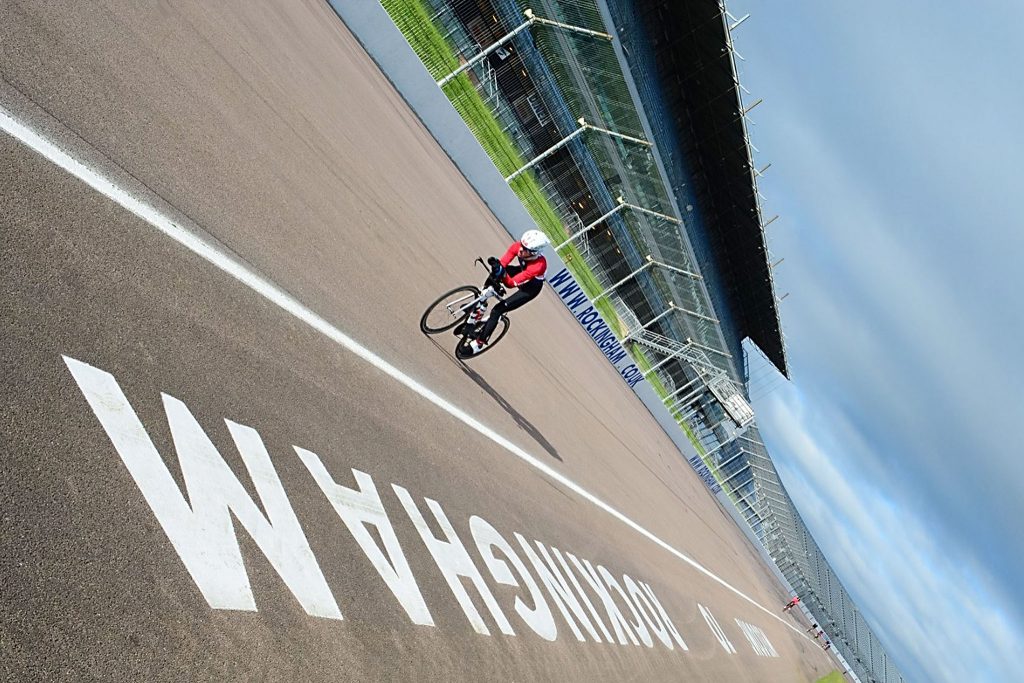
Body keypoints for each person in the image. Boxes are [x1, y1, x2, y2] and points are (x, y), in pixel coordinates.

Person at [465, 229, 550, 355]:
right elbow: (503, 263)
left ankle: (479, 343)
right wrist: (497, 268)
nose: (520, 250)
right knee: (495, 275)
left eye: (525, 249)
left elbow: (510, 284)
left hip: (530, 287)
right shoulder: (519, 247)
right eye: (521, 245)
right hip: (521, 271)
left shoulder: (539, 265)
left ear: (534, 253)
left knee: (497, 310)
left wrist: (502, 274)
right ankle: (479, 303)